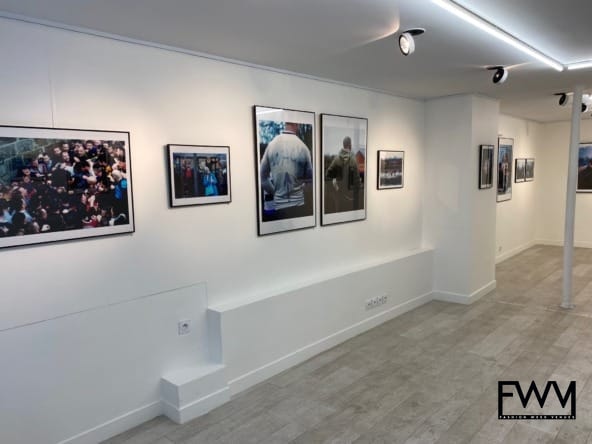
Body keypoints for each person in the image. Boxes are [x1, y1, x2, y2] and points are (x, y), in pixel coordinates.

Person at [259, 122, 313, 219]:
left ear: (285, 124)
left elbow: (262, 178)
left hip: (279, 204)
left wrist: (276, 192)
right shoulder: (303, 147)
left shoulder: (272, 145)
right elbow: (310, 180)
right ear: (297, 125)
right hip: (298, 204)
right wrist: (299, 191)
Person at [325, 136, 362, 213]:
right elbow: (357, 178)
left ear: (343, 145)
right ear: (350, 145)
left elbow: (328, 174)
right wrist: (359, 186)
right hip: (350, 194)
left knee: (340, 213)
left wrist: (335, 181)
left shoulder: (337, 158)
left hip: (339, 192)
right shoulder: (353, 159)